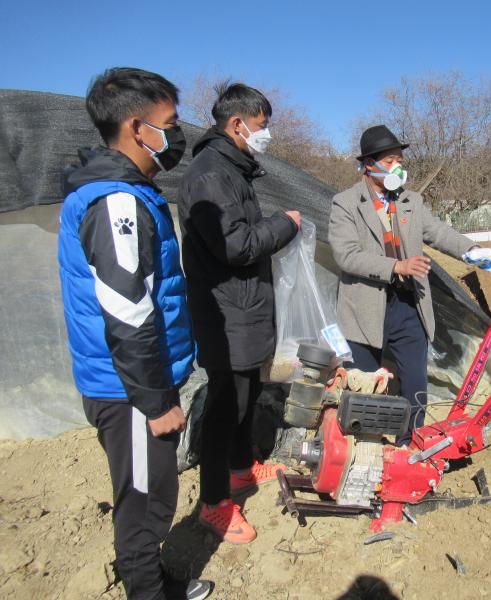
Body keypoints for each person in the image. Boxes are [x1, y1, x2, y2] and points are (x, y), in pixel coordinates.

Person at [58, 68, 212, 599]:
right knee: (145, 501)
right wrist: (154, 401)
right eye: (169, 123)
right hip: (130, 392)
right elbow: (128, 310)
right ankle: (148, 592)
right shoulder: (117, 203)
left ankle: (150, 579)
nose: (176, 134)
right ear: (136, 127)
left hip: (131, 385)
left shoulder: (125, 193)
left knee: (150, 492)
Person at [178, 83, 300, 544]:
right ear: (238, 124)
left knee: (245, 399)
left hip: (242, 308)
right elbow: (236, 244)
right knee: (225, 406)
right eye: (262, 126)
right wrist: (285, 225)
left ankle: (240, 469)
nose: (265, 134)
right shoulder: (211, 175)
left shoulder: (232, 170)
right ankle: (214, 504)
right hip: (227, 314)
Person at [328, 125, 484, 440]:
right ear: (368, 165)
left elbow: (439, 232)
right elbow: (347, 255)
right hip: (364, 307)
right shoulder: (345, 203)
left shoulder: (410, 200)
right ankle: (365, 447)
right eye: (389, 161)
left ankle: (410, 444)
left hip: (408, 305)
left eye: (400, 160)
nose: (397, 167)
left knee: (415, 383)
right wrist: (397, 265)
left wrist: (474, 251)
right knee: (366, 385)